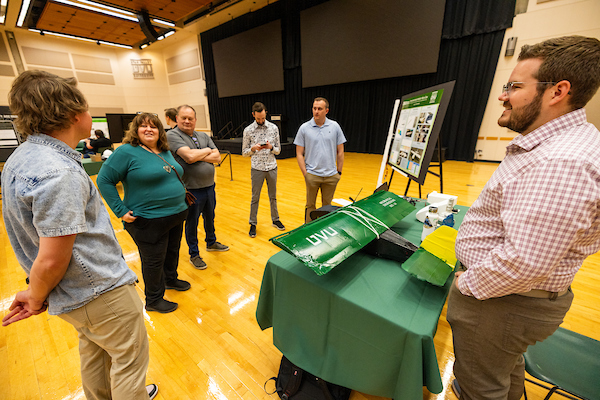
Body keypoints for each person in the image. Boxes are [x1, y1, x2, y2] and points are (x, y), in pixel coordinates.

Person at [447, 36, 600, 400]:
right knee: (502, 376)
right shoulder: (561, 146)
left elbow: (526, 262)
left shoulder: (561, 162)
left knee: (480, 390)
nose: (503, 96)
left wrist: (466, 285)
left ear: (558, 91)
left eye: (514, 86)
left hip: (503, 304)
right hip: (510, 301)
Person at [2, 70, 158, 399]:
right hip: (100, 292)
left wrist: (38, 289)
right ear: (76, 114)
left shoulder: (20, 159)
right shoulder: (58, 171)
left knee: (95, 354)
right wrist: (35, 296)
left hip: (76, 298)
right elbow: (52, 256)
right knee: (129, 365)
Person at [97, 113, 191, 314]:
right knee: (153, 259)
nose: (149, 130)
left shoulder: (164, 151)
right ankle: (154, 299)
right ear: (136, 130)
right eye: (143, 126)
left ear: (160, 131)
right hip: (148, 220)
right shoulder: (126, 152)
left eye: (153, 126)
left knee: (172, 251)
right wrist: (120, 210)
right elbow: (104, 180)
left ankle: (171, 279)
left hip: (177, 213)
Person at [167, 105, 229, 270]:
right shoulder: (172, 135)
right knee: (192, 223)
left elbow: (217, 158)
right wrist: (207, 150)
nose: (187, 121)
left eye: (191, 118)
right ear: (177, 119)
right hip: (191, 190)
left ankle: (211, 242)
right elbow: (189, 157)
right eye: (184, 118)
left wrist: (199, 154)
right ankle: (194, 254)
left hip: (209, 187)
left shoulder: (203, 135)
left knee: (210, 217)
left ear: (195, 120)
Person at [294, 97, 346, 223]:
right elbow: (299, 153)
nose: (316, 111)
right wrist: (306, 174)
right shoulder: (304, 128)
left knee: (327, 206)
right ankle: (308, 229)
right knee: (310, 205)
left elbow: (340, 151)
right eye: (314, 108)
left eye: (320, 109)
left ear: (326, 111)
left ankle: (324, 229)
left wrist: (338, 172)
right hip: (312, 175)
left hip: (331, 175)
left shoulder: (335, 126)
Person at [242, 102, 285, 237]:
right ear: (253, 115)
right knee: (255, 197)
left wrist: (271, 147)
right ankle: (253, 223)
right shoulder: (248, 130)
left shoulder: (273, 128)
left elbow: (278, 150)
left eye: (262, 117)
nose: (260, 120)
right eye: (258, 118)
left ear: (266, 113)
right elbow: (244, 152)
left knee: (273, 196)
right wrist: (253, 149)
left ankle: (275, 219)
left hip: (272, 167)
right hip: (257, 169)